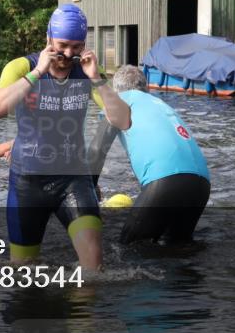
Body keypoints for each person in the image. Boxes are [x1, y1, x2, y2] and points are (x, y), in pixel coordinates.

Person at [0, 4, 130, 270]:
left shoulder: (86, 73)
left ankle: (81, 310)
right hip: (27, 183)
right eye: (62, 44)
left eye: (77, 46)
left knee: (94, 265)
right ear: (48, 38)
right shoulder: (21, 67)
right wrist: (37, 72)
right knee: (23, 272)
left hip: (74, 179)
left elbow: (123, 120)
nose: (68, 53)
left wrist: (96, 78)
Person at [87, 65, 211, 245]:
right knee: (177, 249)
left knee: (130, 249)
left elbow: (97, 150)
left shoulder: (118, 102)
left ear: (115, 90)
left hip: (166, 181)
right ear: (147, 88)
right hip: (201, 185)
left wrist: (89, 191)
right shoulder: (161, 104)